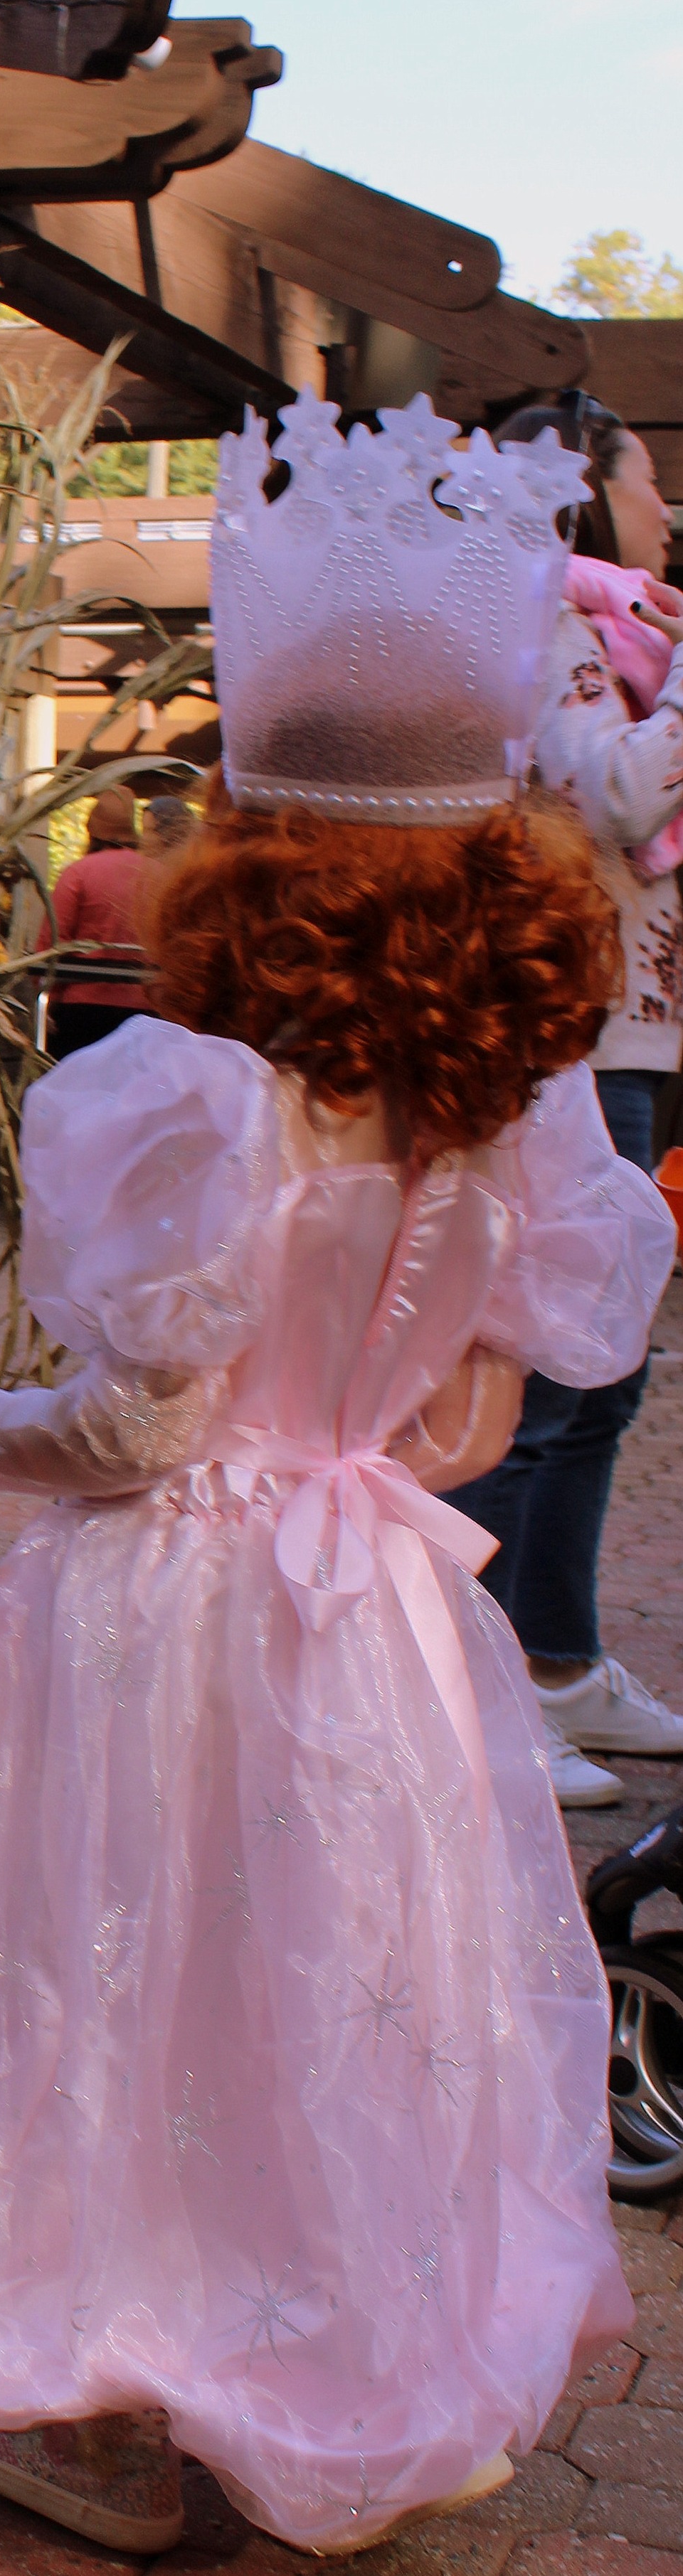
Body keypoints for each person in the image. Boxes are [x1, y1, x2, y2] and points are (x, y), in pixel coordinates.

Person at [0, 393, 674, 2556]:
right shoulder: (520, 1115)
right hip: (386, 1601)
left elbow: (135, 1429)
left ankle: (93, 2405)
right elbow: (466, 1438)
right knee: (346, 1977)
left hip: (164, 1599)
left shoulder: (193, 1097)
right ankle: (367, 2363)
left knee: (121, 1977)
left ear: (252, 841)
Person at [440, 396, 683, 1806]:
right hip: (571, 1041)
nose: (664, 510)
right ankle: (482, 1683)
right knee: (538, 1371)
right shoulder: (552, 628)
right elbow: (609, 798)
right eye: (649, 483)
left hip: (625, 1033)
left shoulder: (609, 639)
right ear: (586, 491)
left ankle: (561, 1654)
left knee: (602, 1371)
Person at [42, 787, 149, 1056]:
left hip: (81, 1012)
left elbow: (50, 945)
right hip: (147, 1014)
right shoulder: (161, 875)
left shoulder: (77, 873)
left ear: (92, 833)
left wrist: (51, 997)